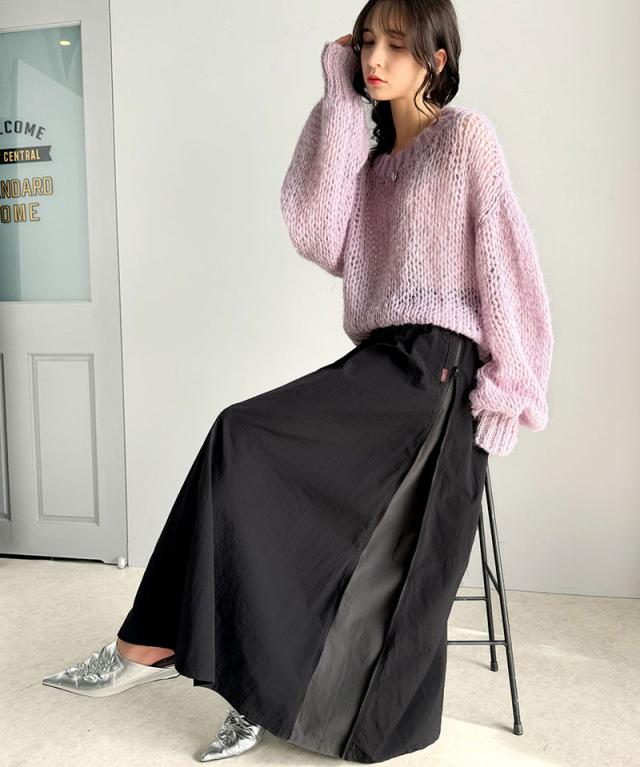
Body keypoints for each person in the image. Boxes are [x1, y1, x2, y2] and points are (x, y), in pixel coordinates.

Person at [40, 0, 554, 763]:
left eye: (396, 45)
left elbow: (508, 264)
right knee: (244, 446)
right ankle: (171, 654)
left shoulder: (465, 138)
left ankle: (188, 663)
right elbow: (314, 231)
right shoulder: (371, 163)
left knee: (245, 438)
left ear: (436, 59)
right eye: (367, 43)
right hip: (383, 361)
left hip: (439, 371)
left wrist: (514, 387)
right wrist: (339, 98)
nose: (375, 58)